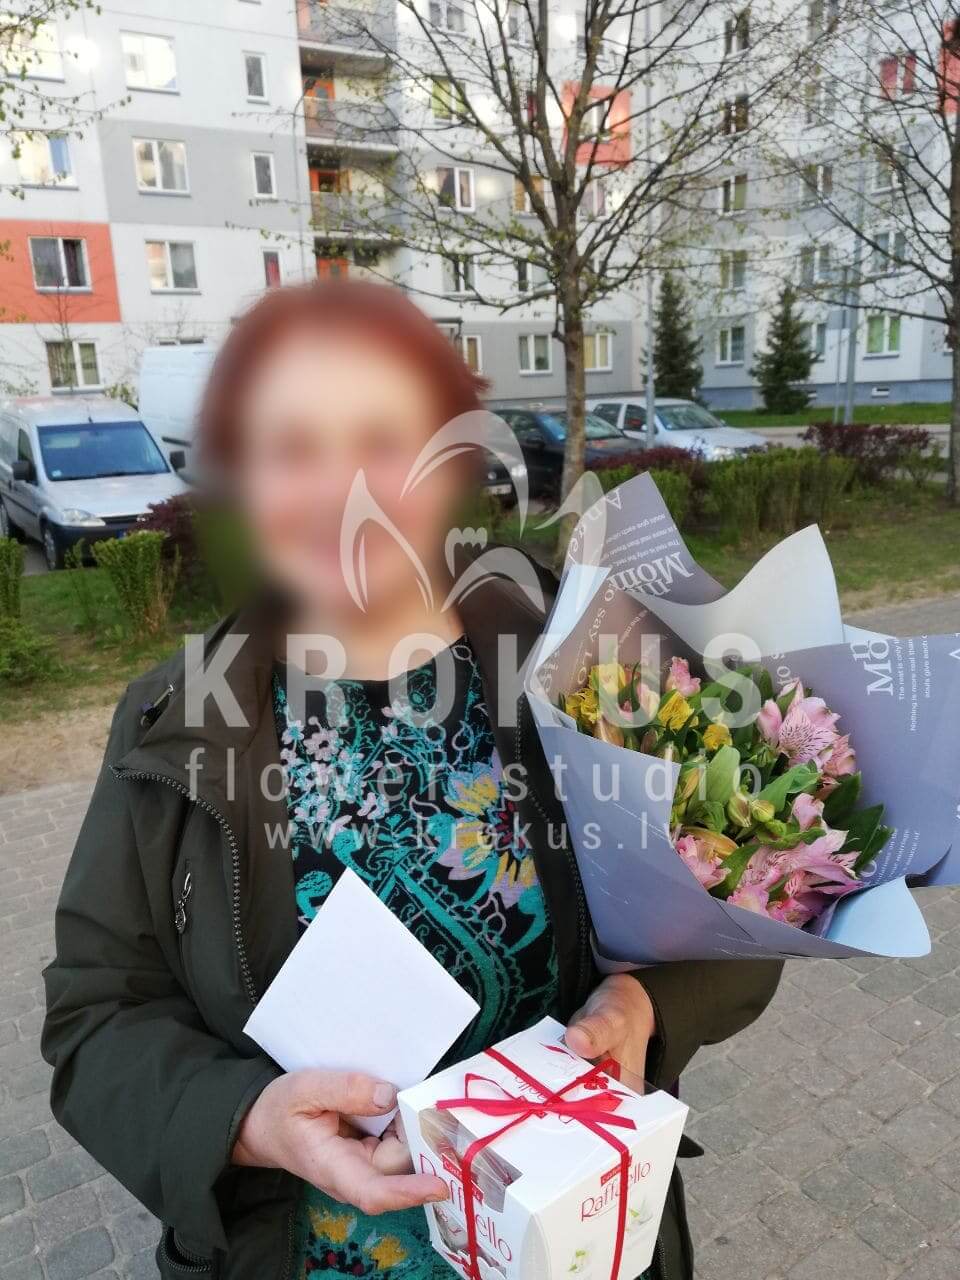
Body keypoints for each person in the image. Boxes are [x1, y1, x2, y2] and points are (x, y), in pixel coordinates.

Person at [42, 279, 781, 1280]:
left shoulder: (590, 657)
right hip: (299, 1251)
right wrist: (249, 1119)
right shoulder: (175, 717)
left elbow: (752, 896)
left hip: (579, 1241)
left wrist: (648, 1008)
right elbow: (98, 1013)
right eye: (295, 447)